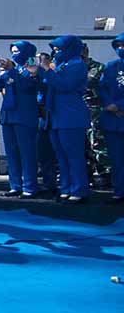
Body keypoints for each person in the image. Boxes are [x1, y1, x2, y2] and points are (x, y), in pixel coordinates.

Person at [36, 35, 90, 202]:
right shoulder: (60, 65)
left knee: (74, 155)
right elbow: (47, 84)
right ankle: (66, 188)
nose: (55, 52)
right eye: (54, 49)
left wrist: (47, 69)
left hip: (71, 115)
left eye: (59, 49)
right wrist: (38, 70)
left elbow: (65, 85)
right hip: (55, 116)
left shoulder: (77, 64)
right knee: (61, 156)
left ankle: (79, 190)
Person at [0, 41, 41, 198]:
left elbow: (28, 85)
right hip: (8, 116)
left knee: (27, 153)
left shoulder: (32, 66)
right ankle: (15, 185)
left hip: (25, 116)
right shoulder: (12, 70)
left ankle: (30, 187)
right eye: (12, 52)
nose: (14, 54)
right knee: (12, 154)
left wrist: (11, 70)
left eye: (17, 51)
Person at [98, 33, 124, 203]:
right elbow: (102, 88)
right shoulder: (110, 66)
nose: (121, 49)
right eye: (118, 46)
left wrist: (120, 106)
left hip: (117, 111)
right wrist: (110, 105)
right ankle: (119, 190)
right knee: (116, 158)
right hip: (112, 120)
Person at [82, 44, 110, 186]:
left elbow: (92, 83)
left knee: (98, 143)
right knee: (83, 145)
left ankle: (106, 174)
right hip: (78, 112)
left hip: (95, 111)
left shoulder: (98, 68)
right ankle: (87, 174)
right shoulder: (70, 68)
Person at [35, 51, 59, 195]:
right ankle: (49, 183)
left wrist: (46, 68)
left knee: (58, 151)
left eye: (42, 60)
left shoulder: (53, 71)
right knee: (43, 152)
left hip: (53, 113)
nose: (39, 62)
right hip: (40, 115)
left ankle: (62, 183)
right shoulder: (35, 73)